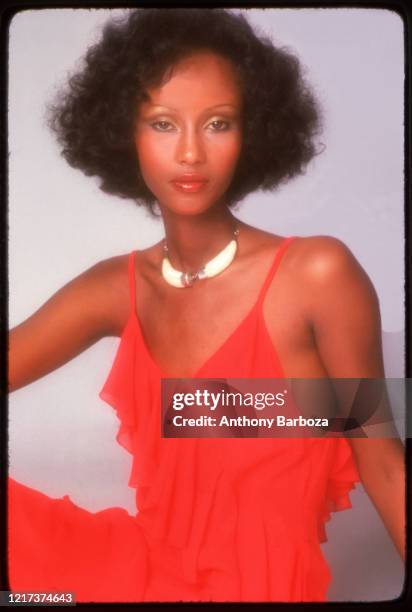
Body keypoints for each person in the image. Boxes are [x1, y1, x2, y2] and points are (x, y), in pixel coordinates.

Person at [7, 7, 405, 603]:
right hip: (129, 585)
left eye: (217, 123)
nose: (190, 152)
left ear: (253, 133)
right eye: (163, 124)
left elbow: (384, 465)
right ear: (124, 134)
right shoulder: (118, 287)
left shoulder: (317, 276)